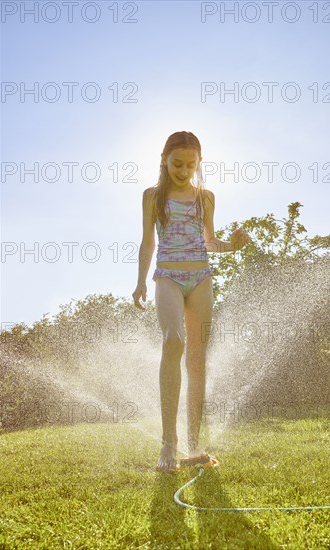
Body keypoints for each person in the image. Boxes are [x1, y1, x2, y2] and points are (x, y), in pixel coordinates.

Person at [132, 131, 250, 472]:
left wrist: (234, 246)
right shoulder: (152, 196)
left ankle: (194, 446)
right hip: (167, 276)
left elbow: (209, 241)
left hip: (201, 278)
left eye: (190, 164)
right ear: (164, 160)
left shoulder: (206, 197)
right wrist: (140, 281)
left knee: (197, 360)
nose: (183, 170)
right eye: (176, 163)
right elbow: (147, 243)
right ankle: (168, 445)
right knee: (173, 341)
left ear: (199, 163)